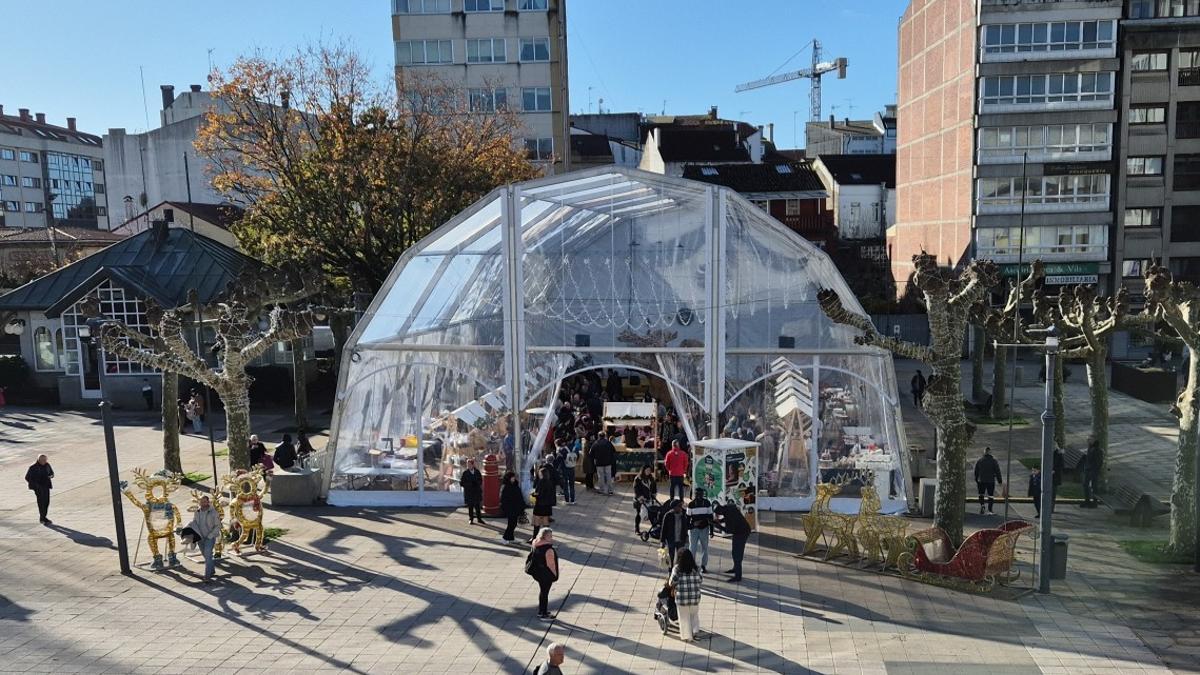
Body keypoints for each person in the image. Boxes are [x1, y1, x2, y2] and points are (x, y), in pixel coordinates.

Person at [668, 548, 704, 642]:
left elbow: (671, 582)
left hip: (682, 599)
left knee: (684, 617)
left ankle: (687, 636)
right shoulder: (696, 568)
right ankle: (695, 632)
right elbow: (700, 580)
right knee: (694, 615)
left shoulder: (677, 569)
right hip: (695, 598)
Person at [527, 528, 560, 620]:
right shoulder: (549, 550)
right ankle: (543, 613)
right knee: (544, 593)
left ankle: (542, 611)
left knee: (543, 591)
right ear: (544, 536)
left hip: (537, 572)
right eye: (549, 536)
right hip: (546, 573)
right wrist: (554, 575)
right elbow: (551, 565)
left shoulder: (535, 543)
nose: (551, 537)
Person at [715, 501, 751, 582]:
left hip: (741, 533)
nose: (718, 516)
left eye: (718, 514)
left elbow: (728, 530)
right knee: (734, 551)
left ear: (721, 511)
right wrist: (720, 521)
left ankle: (738, 576)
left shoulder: (729, 516)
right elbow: (727, 517)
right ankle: (735, 568)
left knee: (737, 553)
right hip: (740, 530)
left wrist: (718, 526)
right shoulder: (729, 508)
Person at [190, 494, 222, 582]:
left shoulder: (213, 512)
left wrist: (210, 535)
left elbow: (218, 526)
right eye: (201, 501)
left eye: (204, 501)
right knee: (206, 556)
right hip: (200, 538)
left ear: (208, 502)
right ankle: (212, 570)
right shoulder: (197, 512)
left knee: (208, 554)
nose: (202, 503)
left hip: (209, 538)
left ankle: (207, 576)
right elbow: (195, 522)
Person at [686, 487, 714, 573]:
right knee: (692, 549)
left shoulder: (707, 503)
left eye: (700, 494)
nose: (699, 496)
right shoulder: (691, 504)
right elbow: (687, 519)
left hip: (704, 529)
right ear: (695, 495)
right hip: (694, 530)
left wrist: (711, 531)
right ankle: (691, 565)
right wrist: (691, 526)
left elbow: (711, 517)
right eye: (697, 494)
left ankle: (703, 566)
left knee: (705, 548)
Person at [24, 454, 54, 524]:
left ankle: (44, 517)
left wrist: (51, 475)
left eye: (45, 460)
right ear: (38, 460)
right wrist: (35, 485)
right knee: (41, 503)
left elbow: (52, 473)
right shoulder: (33, 467)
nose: (44, 461)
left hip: (46, 486)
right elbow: (27, 477)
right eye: (42, 460)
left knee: (46, 502)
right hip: (38, 488)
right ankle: (42, 518)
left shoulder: (47, 465)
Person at [659, 499, 690, 566]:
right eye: (679, 506)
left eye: (681, 506)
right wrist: (662, 541)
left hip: (681, 539)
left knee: (680, 557)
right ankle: (670, 570)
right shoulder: (668, 515)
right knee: (671, 556)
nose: (680, 508)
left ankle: (677, 570)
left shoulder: (683, 515)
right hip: (671, 539)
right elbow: (664, 528)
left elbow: (685, 527)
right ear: (674, 508)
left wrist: (686, 537)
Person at [974, 447, 1003, 515]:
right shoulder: (993, 461)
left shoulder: (980, 460)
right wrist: (1000, 481)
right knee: (990, 495)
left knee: (981, 494)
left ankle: (982, 505)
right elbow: (997, 471)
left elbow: (976, 471)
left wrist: (976, 479)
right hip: (990, 480)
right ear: (990, 452)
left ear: (984, 452)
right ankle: (990, 510)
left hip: (981, 480)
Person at [531, 465, 557, 542]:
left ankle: (535, 538)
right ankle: (547, 537)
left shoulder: (541, 482)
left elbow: (538, 494)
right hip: (547, 505)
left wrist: (533, 494)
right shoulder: (549, 482)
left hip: (540, 505)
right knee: (546, 521)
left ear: (541, 474)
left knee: (537, 521)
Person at [500, 471, 526, 545]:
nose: (514, 478)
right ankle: (504, 538)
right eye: (513, 477)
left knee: (514, 523)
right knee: (511, 524)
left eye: (514, 477)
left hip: (516, 507)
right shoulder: (506, 487)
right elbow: (504, 500)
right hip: (510, 508)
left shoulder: (515, 484)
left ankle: (511, 538)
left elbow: (519, 495)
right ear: (509, 478)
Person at [633, 464, 658, 535]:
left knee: (652, 512)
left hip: (648, 499)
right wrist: (640, 498)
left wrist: (654, 495)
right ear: (643, 470)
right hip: (639, 500)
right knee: (638, 514)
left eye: (649, 470)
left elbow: (654, 488)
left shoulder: (651, 478)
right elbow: (636, 489)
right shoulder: (638, 479)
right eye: (647, 470)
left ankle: (655, 527)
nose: (648, 472)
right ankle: (637, 529)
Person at [590, 431, 616, 496]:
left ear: (598, 436)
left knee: (600, 477)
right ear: (605, 436)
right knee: (608, 476)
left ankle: (602, 490)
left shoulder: (595, 443)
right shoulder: (608, 443)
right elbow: (614, 451)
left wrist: (595, 458)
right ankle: (610, 490)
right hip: (608, 462)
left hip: (599, 463)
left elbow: (590, 453)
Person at [1080, 438, 1103, 508]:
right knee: (1085, 485)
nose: (1088, 441)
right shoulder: (1090, 449)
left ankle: (1094, 502)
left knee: (1094, 486)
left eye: (1090, 440)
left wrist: (1095, 470)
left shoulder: (1098, 450)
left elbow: (1099, 462)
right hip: (1088, 470)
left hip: (1093, 470)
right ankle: (1087, 500)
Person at [460, 458, 484, 524]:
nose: (468, 466)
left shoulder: (477, 472)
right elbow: (461, 483)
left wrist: (477, 483)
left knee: (477, 506)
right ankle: (471, 519)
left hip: (476, 492)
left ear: (473, 465)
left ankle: (479, 519)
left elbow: (480, 480)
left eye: (470, 464)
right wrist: (470, 484)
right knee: (470, 507)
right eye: (467, 464)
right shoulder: (465, 473)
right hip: (469, 493)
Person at [555, 440, 577, 505]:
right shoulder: (572, 448)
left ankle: (567, 500)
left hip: (565, 469)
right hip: (572, 468)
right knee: (572, 485)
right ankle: (572, 500)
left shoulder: (561, 450)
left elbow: (558, 460)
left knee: (565, 485)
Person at [1051, 446, 1065, 513]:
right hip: (1051, 476)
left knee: (1052, 493)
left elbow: (1061, 465)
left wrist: (1054, 470)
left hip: (1055, 476)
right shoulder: (1050, 452)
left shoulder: (1058, 453)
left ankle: (1051, 508)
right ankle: (1049, 508)